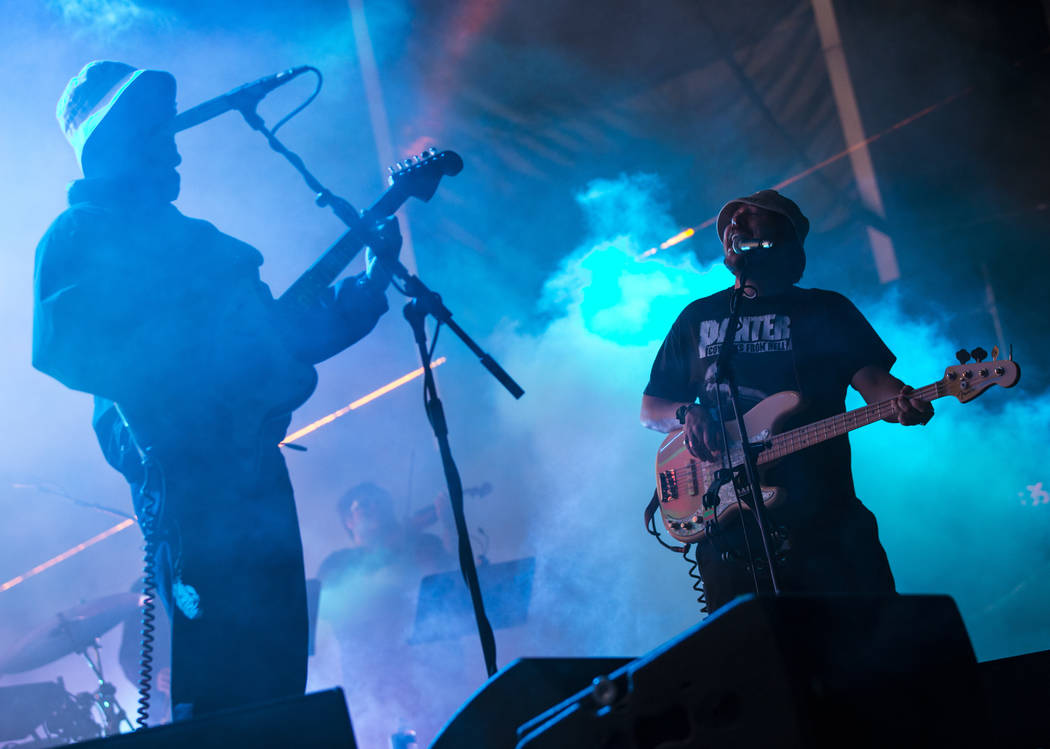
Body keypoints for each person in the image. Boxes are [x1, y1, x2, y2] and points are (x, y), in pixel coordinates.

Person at [32, 61, 400, 718]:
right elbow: (65, 346)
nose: (173, 146)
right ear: (109, 142)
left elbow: (278, 338)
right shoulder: (79, 233)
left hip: (255, 476)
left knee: (279, 664)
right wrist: (192, 365)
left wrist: (367, 291)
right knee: (218, 674)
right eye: (154, 132)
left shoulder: (206, 244)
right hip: (187, 478)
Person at [640, 189, 934, 612]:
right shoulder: (698, 317)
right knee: (760, 666)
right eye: (729, 220)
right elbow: (652, 408)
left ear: (786, 233)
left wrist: (906, 401)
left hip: (825, 521)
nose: (734, 224)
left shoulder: (825, 310)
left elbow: (873, 382)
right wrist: (689, 413)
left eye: (749, 215)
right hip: (730, 534)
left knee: (871, 651)